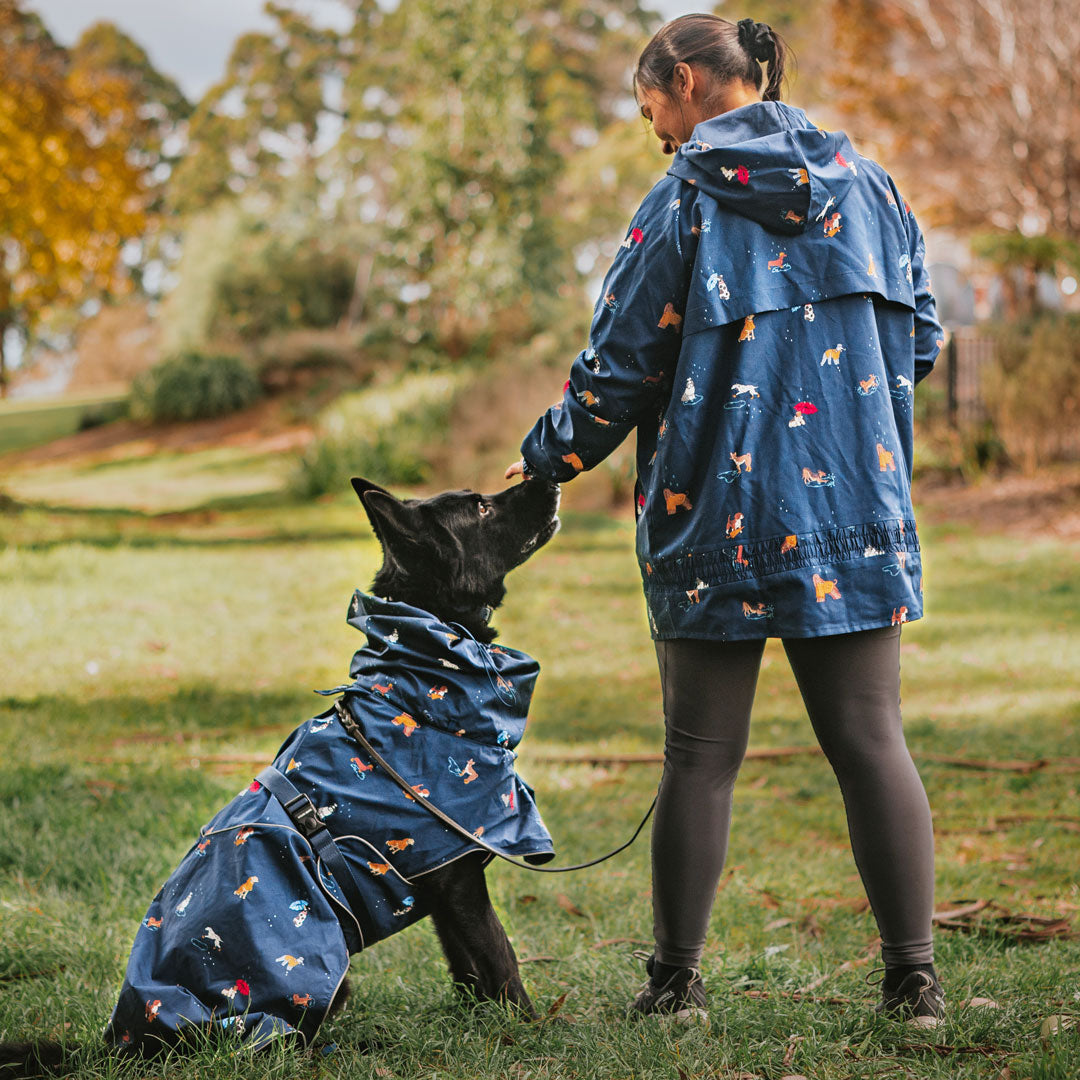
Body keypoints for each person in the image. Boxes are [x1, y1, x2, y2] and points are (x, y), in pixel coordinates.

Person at [506, 14, 946, 1026]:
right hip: (856, 511)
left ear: (693, 78)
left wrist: (542, 465)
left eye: (649, 100)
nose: (652, 127)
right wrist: (850, 413)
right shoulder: (873, 191)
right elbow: (918, 338)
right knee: (873, 738)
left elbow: (614, 378)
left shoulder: (678, 208)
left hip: (717, 516)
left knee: (701, 757)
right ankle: (912, 985)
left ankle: (677, 988)